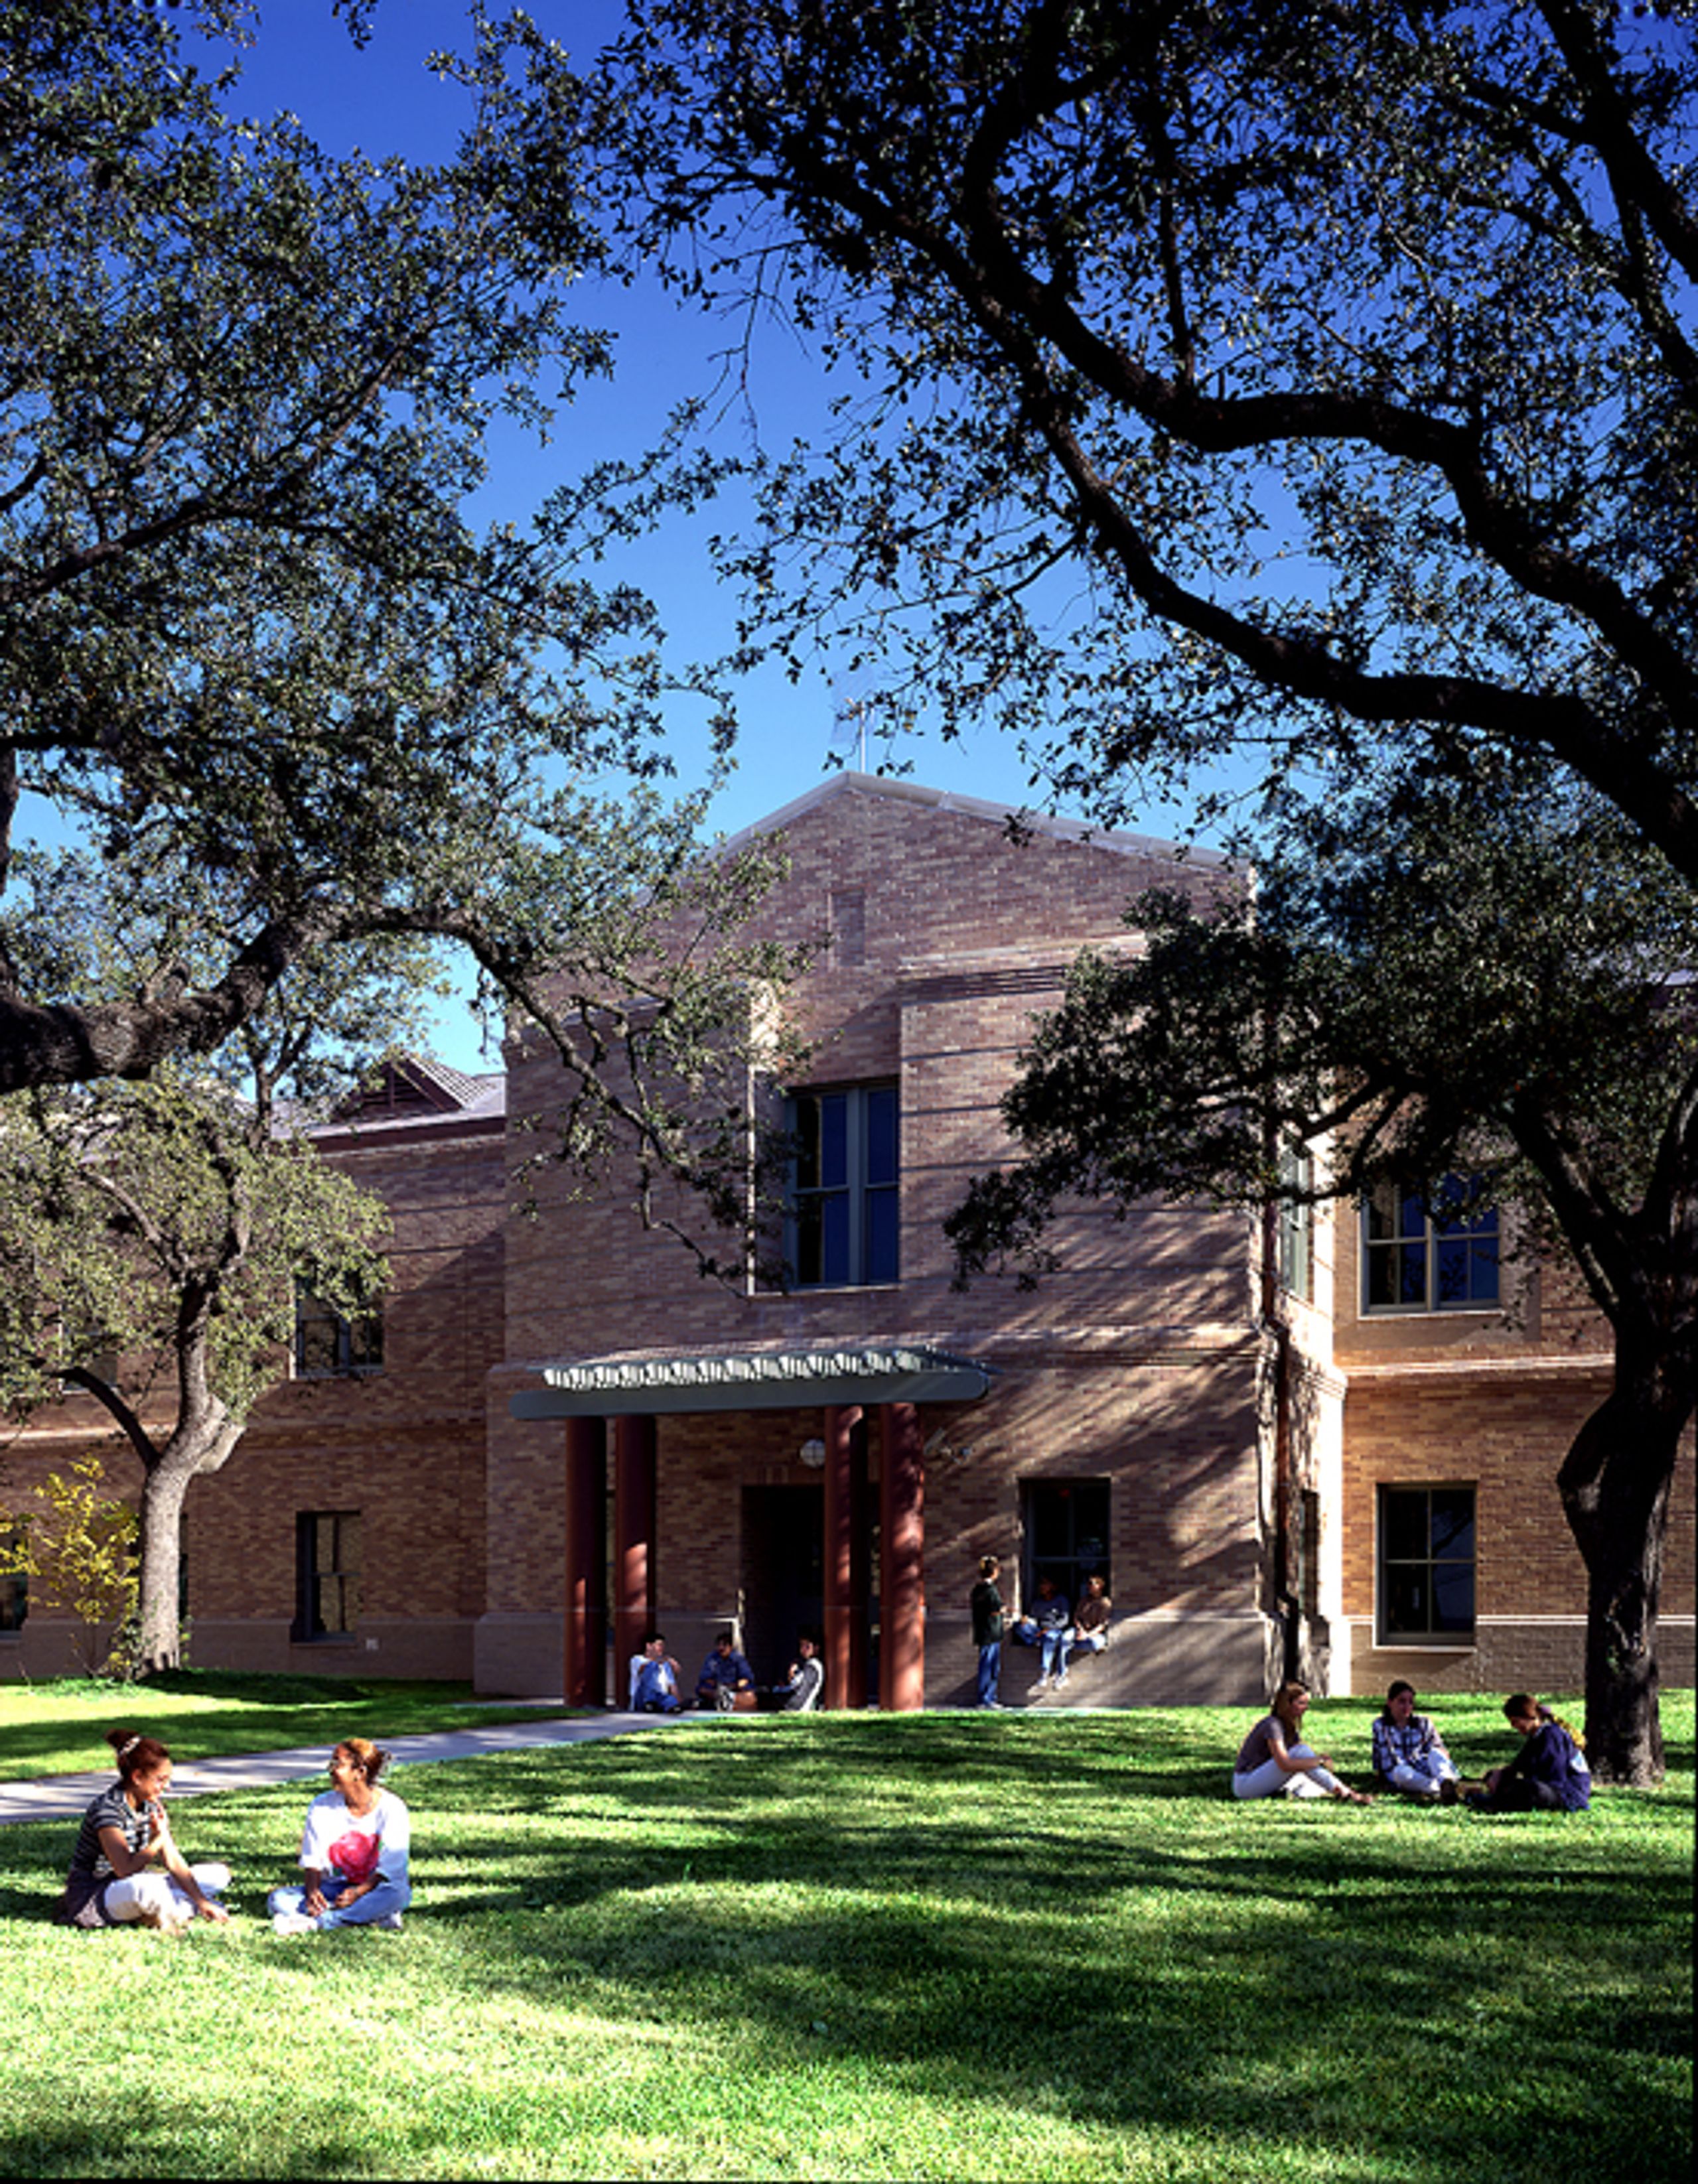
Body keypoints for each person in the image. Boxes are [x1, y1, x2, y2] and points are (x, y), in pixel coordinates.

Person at [54, 1728, 234, 1933]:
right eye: (161, 1780)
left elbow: (173, 1860)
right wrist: (159, 1839)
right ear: (138, 1777)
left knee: (218, 1874)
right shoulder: (108, 1810)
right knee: (147, 1888)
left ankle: (172, 1908)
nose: (167, 1787)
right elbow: (124, 1870)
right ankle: (171, 1910)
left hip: (133, 1883)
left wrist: (201, 1901)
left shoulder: (149, 1804)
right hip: (97, 1893)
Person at [267, 1738, 411, 1933]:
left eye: (338, 1764)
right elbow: (313, 1858)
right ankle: (370, 1916)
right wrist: (312, 1892)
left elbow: (391, 1867)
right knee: (279, 1899)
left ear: (359, 1772)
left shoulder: (392, 1807)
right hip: (335, 1889)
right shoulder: (321, 1805)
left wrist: (358, 1893)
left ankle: (317, 1923)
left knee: (397, 1894)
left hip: (375, 1888)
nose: (331, 1769)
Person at [1232, 1681, 1372, 1803]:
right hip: (1245, 1784)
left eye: (1306, 1703)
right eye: (1301, 1703)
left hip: (1263, 1778)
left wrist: (1317, 1762)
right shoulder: (1272, 1725)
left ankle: (1337, 1791)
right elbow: (1285, 1764)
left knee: (1310, 1778)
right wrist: (1319, 1761)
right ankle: (1347, 1794)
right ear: (1287, 1704)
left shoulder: (1289, 1727)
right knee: (1301, 1752)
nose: (1305, 1708)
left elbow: (1302, 1763)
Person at [1449, 1694, 1592, 1812]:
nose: (1514, 1727)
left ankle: (1489, 1802)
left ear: (1529, 1717)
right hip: (1548, 1788)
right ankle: (1480, 1797)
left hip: (1567, 1794)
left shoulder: (1552, 1736)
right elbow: (1518, 1766)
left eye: (1516, 1721)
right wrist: (1498, 1775)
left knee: (1530, 1790)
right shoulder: (1535, 1738)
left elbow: (1555, 1777)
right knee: (1508, 1782)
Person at [1370, 1680, 1460, 1799]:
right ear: (1390, 1703)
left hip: (1426, 1768)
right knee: (1400, 1773)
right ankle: (1441, 1789)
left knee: (1435, 1753)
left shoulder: (1423, 1723)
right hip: (1403, 1774)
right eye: (1402, 1701)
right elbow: (1379, 1758)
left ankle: (1445, 1782)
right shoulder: (1381, 1726)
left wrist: (1439, 1756)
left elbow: (1441, 1751)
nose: (1407, 1706)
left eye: (1410, 1702)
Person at [970, 1554, 1005, 1709]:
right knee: (990, 1667)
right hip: (991, 1633)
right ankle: (987, 1699)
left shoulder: (976, 1590)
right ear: (994, 1571)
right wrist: (1003, 1610)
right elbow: (995, 1609)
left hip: (982, 1632)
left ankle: (986, 1698)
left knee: (986, 1665)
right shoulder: (990, 1590)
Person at [695, 1629, 756, 1711]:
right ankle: (726, 1701)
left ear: (731, 1647)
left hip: (734, 1689)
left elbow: (746, 1678)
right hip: (716, 1690)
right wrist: (719, 1687)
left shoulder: (738, 1659)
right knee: (703, 1689)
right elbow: (705, 1678)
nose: (721, 1648)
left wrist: (734, 1686)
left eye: (724, 1645)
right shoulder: (712, 1658)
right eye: (719, 1645)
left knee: (750, 1696)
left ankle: (729, 1702)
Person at [630, 1632, 683, 1713]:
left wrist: (679, 1702)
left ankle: (671, 1707)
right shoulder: (637, 1659)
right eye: (659, 1645)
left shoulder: (665, 1664)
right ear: (649, 1646)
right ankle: (649, 1703)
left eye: (663, 1646)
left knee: (670, 1699)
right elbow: (643, 1668)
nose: (661, 1648)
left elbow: (672, 1686)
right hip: (642, 1697)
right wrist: (661, 1660)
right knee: (652, 1666)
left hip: (659, 1698)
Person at [776, 1632, 825, 1713]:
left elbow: (804, 1691)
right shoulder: (801, 1665)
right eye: (802, 1646)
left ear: (816, 1648)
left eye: (807, 1647)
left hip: (802, 1707)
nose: (803, 1650)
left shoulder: (813, 1666)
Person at [1070, 1572, 1113, 1661]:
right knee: (1065, 1638)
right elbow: (1076, 1617)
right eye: (1088, 1584)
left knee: (1095, 1643)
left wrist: (1088, 1635)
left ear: (1099, 1586)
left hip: (1095, 1634)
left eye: (1091, 1584)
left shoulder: (1105, 1602)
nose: (1089, 1587)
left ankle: (1080, 1646)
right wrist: (1081, 1630)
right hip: (1081, 1631)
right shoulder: (1084, 1601)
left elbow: (1102, 1624)